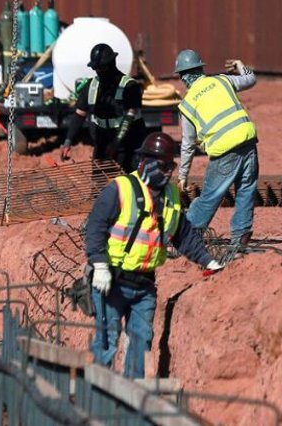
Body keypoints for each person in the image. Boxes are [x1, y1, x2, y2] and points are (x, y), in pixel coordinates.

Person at [84, 132, 222, 379]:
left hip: (144, 285)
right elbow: (95, 227)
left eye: (170, 165)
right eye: (164, 166)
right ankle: (97, 401)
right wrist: (100, 265)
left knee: (141, 342)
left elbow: (183, 235)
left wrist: (208, 260)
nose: (168, 172)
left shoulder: (171, 196)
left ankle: (130, 402)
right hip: (112, 282)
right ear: (145, 162)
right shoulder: (120, 188)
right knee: (107, 342)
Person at [174, 50, 259, 250]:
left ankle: (186, 237)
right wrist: (240, 65)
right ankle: (240, 238)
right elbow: (250, 78)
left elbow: (187, 144)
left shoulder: (187, 104)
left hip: (224, 151)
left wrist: (183, 175)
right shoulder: (222, 81)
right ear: (201, 69)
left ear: (183, 76)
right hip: (247, 141)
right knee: (246, 190)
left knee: (210, 196)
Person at [60, 43, 146, 168]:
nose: (98, 71)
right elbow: (79, 115)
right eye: (96, 68)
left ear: (111, 64)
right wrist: (68, 142)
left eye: (101, 68)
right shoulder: (91, 86)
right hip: (102, 145)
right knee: (98, 185)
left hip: (128, 147)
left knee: (128, 183)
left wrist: (115, 144)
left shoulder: (129, 87)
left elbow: (129, 118)